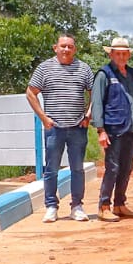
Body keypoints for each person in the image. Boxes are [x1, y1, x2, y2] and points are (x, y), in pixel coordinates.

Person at [25, 33, 92, 223]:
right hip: (54, 128)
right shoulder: (44, 68)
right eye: (63, 46)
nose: (66, 49)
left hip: (78, 127)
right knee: (51, 169)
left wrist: (88, 115)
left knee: (77, 169)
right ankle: (51, 206)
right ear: (56, 48)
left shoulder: (84, 68)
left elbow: (94, 93)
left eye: (70, 46)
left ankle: (77, 206)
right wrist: (43, 118)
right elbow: (30, 92)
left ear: (75, 49)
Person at [91, 37, 133, 222]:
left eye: (124, 53)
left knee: (127, 168)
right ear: (111, 54)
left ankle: (120, 204)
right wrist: (101, 130)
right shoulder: (104, 74)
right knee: (112, 168)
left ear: (128, 55)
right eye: (117, 53)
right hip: (113, 129)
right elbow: (97, 102)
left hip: (131, 128)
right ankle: (104, 206)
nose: (121, 57)